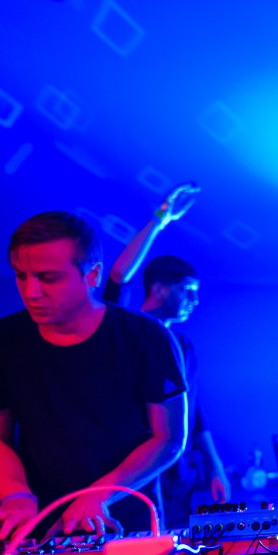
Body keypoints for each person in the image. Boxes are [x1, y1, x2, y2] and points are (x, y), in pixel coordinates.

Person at [0, 211, 188, 543]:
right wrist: (15, 495)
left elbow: (168, 438)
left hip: (125, 521)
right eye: (21, 276)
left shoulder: (146, 336)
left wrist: (99, 495)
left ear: (93, 275)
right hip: (37, 524)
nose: (31, 291)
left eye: (49, 278)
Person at [103, 185, 232, 527]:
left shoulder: (183, 345)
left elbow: (194, 410)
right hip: (134, 471)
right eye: (187, 290)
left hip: (178, 478)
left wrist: (215, 467)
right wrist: (158, 222)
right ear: (159, 289)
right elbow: (117, 278)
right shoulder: (125, 328)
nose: (194, 300)